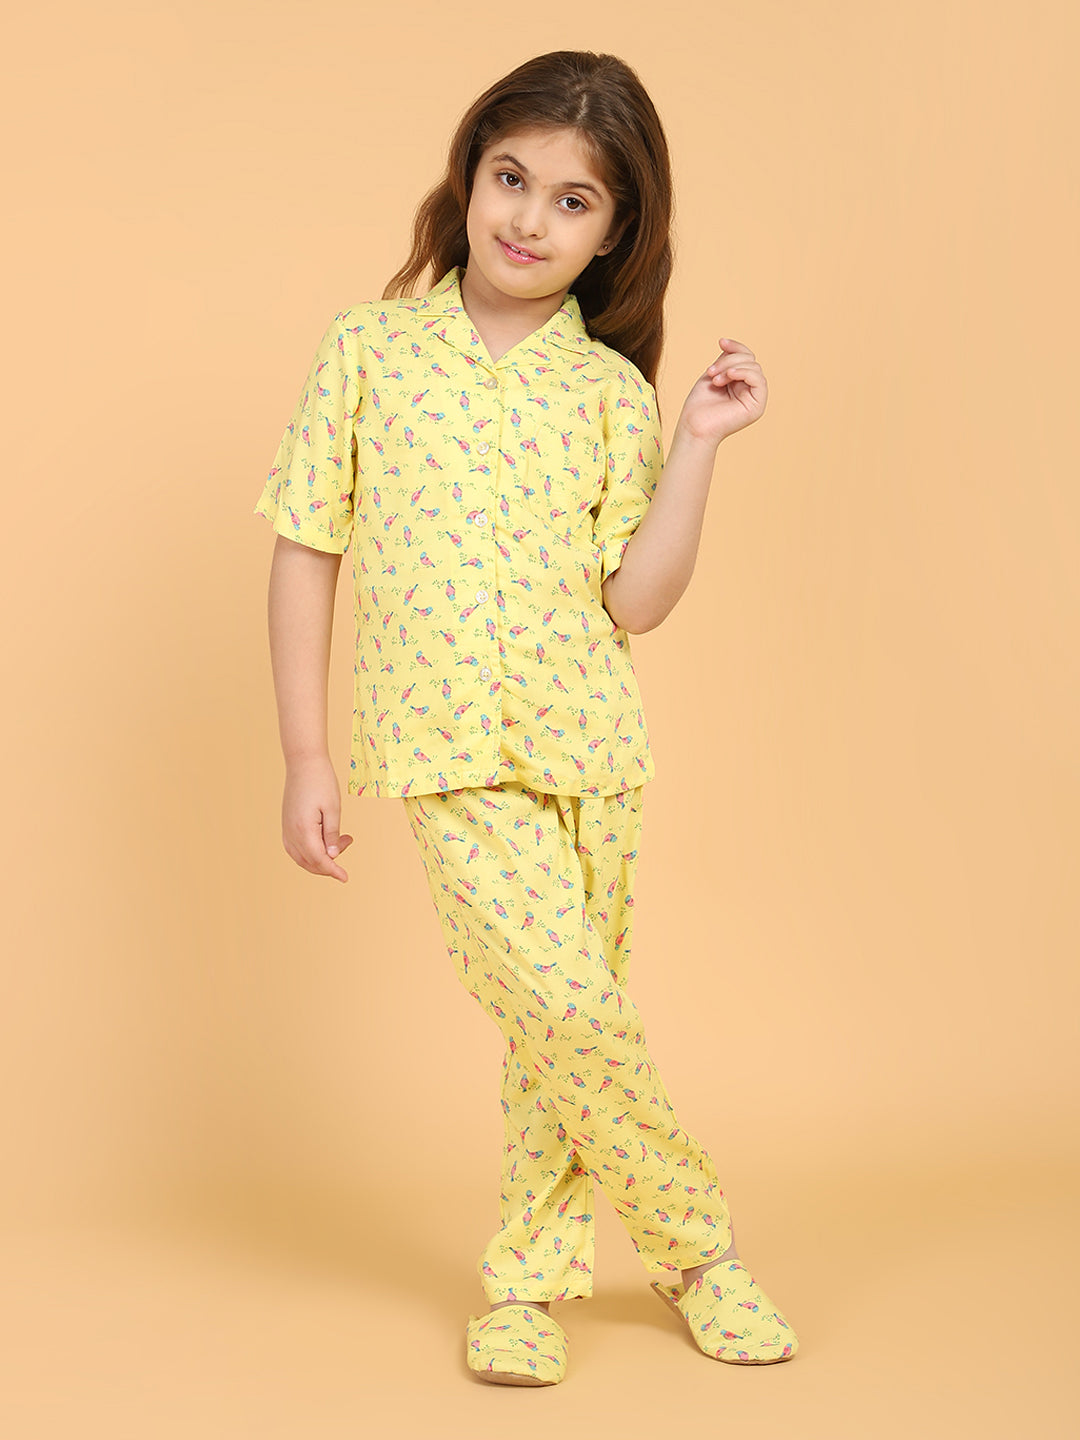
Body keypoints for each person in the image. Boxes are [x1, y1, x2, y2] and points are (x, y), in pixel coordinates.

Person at [252, 49, 798, 1386]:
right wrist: (307, 753)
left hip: (591, 748)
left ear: (616, 232)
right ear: (468, 172)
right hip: (444, 750)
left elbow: (637, 600)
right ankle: (699, 1249)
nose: (529, 219)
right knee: (568, 1007)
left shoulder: (608, 391)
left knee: (557, 1032)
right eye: (512, 178)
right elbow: (306, 545)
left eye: (573, 201)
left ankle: (524, 1287)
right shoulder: (369, 350)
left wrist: (697, 444)